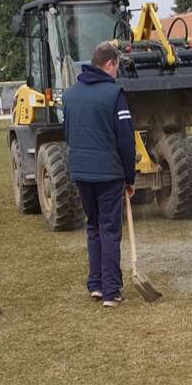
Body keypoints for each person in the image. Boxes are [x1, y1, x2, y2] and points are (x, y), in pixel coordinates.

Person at [62, 41, 136, 307]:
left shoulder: (69, 95)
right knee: (109, 229)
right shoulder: (115, 94)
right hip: (108, 174)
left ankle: (95, 284)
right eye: (117, 67)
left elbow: (67, 133)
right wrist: (130, 177)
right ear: (109, 64)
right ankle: (111, 291)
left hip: (81, 172)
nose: (117, 73)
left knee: (92, 226)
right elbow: (126, 140)